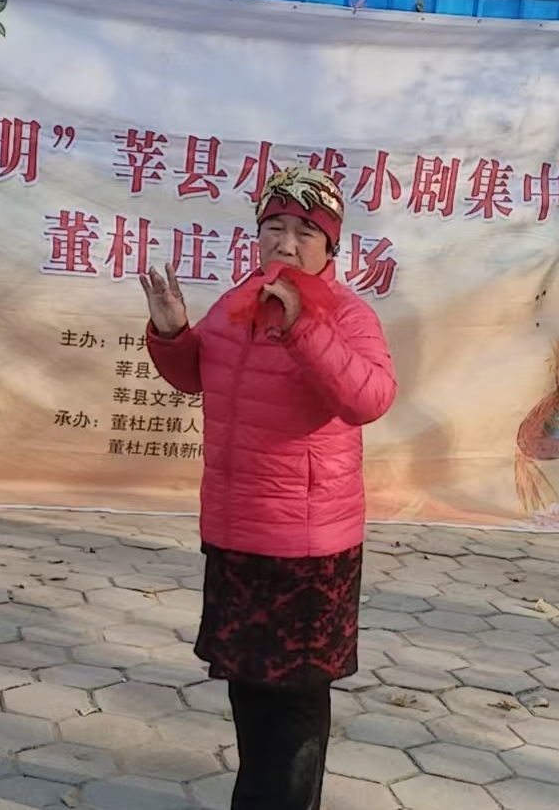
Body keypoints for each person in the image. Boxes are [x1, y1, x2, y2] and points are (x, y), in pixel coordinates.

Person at [141, 165, 397, 810]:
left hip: (306, 549)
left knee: (293, 711)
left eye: (305, 232)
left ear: (331, 245)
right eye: (273, 227)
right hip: (237, 530)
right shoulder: (237, 305)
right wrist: (173, 333)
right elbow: (198, 377)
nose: (285, 244)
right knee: (250, 694)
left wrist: (304, 327)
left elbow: (369, 399)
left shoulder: (349, 315)